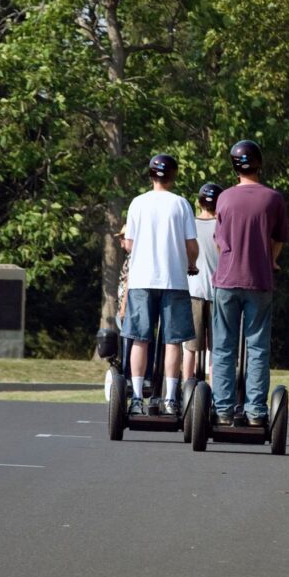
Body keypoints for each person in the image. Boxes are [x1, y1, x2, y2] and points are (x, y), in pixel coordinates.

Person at [211, 140, 288, 426]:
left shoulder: (225, 199)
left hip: (227, 280)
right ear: (259, 163)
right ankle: (256, 411)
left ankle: (223, 408)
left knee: (223, 347)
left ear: (234, 167)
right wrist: (271, 259)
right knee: (257, 347)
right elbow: (279, 239)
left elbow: (219, 243)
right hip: (259, 281)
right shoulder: (273, 199)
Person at [121, 154, 199, 416]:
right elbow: (191, 245)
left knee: (140, 339)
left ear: (151, 175)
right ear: (173, 176)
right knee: (172, 341)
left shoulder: (137, 203)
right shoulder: (181, 204)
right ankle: (170, 397)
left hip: (142, 279)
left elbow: (129, 243)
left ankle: (136, 397)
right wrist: (192, 263)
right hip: (174, 280)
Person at [183, 182, 223, 382]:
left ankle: (185, 388)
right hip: (218, 292)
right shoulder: (223, 226)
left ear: (199, 202)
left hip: (194, 291)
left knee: (190, 347)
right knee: (216, 349)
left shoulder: (190, 225)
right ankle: (216, 393)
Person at [116, 224, 153, 387]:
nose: (121, 241)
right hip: (131, 306)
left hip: (131, 308)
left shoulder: (135, 258)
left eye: (123, 237)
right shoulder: (133, 257)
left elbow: (128, 284)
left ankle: (130, 377)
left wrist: (124, 307)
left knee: (131, 342)